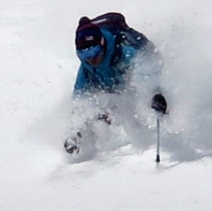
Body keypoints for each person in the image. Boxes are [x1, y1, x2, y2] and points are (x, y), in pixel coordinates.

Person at [65, 12, 167, 155]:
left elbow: (147, 73)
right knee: (101, 108)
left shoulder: (125, 52)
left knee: (132, 103)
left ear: (102, 43)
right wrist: (75, 133)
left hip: (134, 85)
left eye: (94, 51)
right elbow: (80, 100)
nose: (91, 58)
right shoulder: (86, 68)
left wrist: (155, 94)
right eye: (84, 54)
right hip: (115, 90)